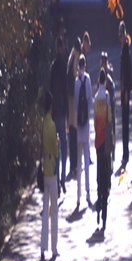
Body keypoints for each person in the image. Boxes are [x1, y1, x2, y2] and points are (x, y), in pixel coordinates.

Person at [40, 91, 59, 261]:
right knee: (54, 210)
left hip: (43, 168)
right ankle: (54, 247)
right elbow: (55, 149)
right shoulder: (52, 125)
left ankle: (42, 246)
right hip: (51, 169)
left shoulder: (42, 124)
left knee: (45, 209)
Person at [93, 68, 113, 230]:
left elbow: (95, 120)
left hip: (98, 141)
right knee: (106, 174)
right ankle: (104, 213)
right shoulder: (106, 97)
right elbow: (110, 118)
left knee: (99, 174)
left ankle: (98, 207)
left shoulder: (95, 99)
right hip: (106, 142)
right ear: (105, 81)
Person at [73, 54, 94, 210]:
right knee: (86, 158)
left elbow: (75, 104)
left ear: (77, 66)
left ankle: (78, 194)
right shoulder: (87, 80)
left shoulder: (76, 82)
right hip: (86, 124)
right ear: (84, 65)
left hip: (78, 125)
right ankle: (87, 190)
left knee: (79, 161)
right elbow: (89, 101)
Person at [50, 36, 70, 193]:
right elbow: (65, 89)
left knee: (56, 147)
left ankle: (56, 180)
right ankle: (63, 178)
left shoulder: (52, 67)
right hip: (62, 111)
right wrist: (68, 112)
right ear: (61, 48)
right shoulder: (62, 66)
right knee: (64, 145)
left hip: (54, 112)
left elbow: (51, 91)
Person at [118, 21, 132, 166]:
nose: (119, 37)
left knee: (125, 123)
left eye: (120, 34)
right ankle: (125, 151)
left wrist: (127, 90)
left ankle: (126, 152)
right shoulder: (124, 49)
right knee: (124, 123)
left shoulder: (126, 50)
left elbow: (127, 72)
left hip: (125, 90)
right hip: (123, 90)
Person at [66, 40, 80, 181]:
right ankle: (74, 164)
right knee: (74, 132)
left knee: (72, 133)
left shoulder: (70, 59)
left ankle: (72, 164)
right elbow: (76, 77)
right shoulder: (74, 59)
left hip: (69, 101)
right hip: (72, 102)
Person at [99, 51, 116, 162]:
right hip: (106, 107)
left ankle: (111, 153)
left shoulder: (108, 74)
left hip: (109, 107)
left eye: (105, 61)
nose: (104, 63)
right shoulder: (105, 73)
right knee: (107, 131)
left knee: (110, 131)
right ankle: (108, 152)